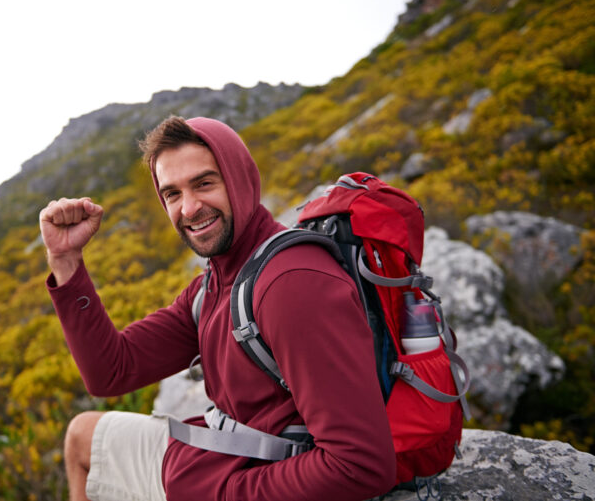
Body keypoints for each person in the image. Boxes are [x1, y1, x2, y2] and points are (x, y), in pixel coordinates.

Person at [40, 116, 396, 501]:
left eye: (204, 183)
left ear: (240, 179)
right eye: (172, 194)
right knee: (82, 436)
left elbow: (360, 466)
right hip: (220, 458)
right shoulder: (216, 283)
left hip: (247, 479)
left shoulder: (292, 284)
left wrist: (218, 492)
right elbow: (111, 372)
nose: (190, 209)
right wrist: (65, 260)